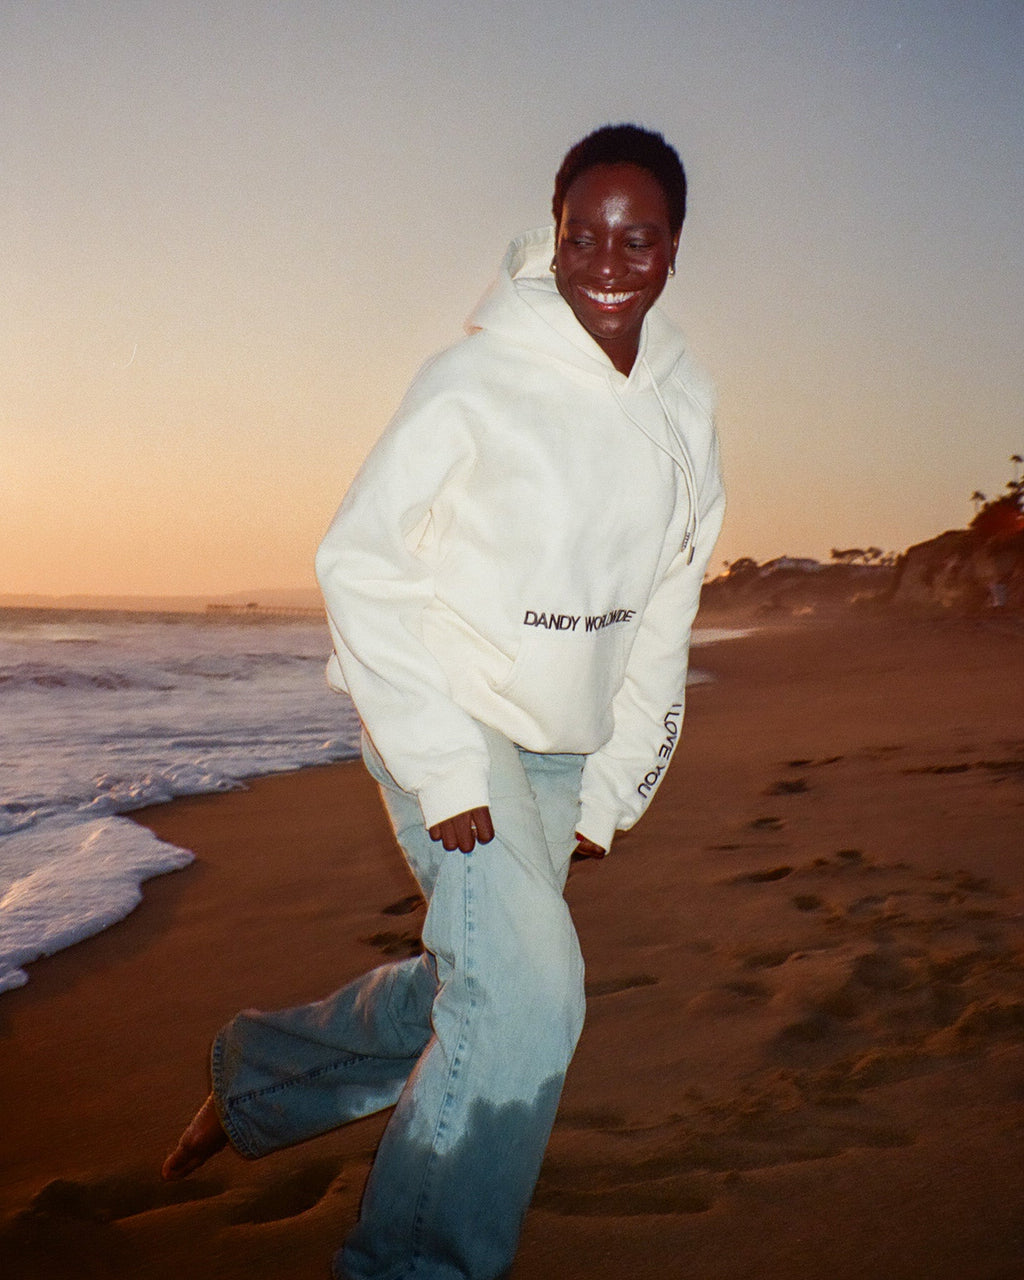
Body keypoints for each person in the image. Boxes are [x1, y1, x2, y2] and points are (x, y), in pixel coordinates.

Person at [163, 122, 725, 1280]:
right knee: (528, 999)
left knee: (484, 975)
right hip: (446, 714)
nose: (609, 261)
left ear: (674, 246)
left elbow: (667, 603)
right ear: (554, 234)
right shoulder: (474, 376)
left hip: (562, 748)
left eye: (639, 237)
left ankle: (262, 1074)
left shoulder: (686, 405)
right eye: (585, 236)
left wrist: (613, 783)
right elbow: (357, 563)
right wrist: (444, 765)